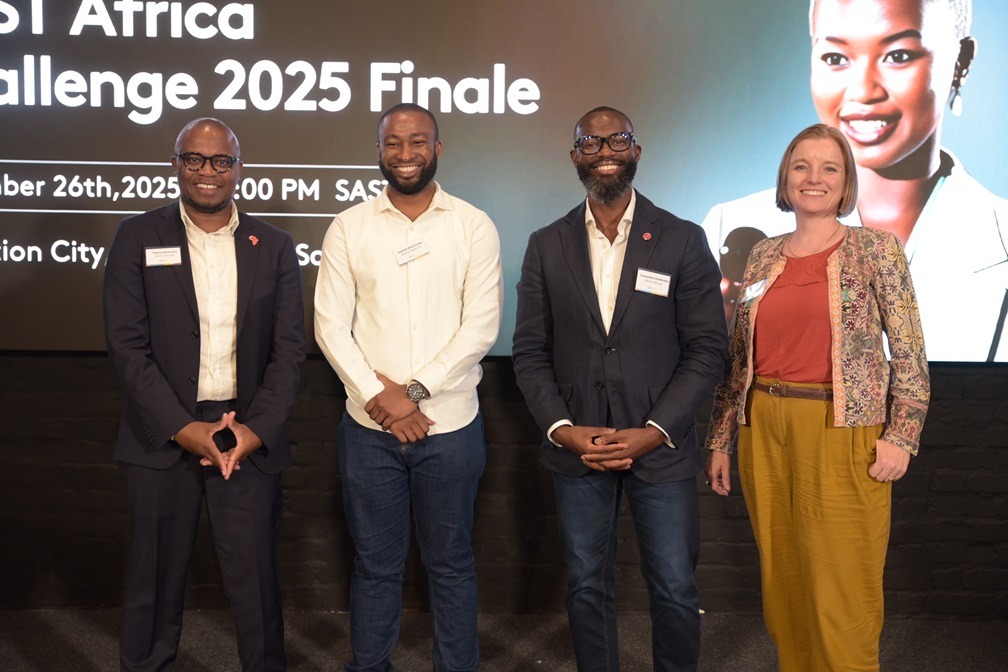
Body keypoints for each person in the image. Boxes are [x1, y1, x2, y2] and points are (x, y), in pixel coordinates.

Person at [705, 123, 930, 672]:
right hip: (764, 428)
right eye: (801, 166)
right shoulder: (761, 256)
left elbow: (909, 352)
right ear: (785, 177)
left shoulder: (877, 250)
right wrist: (720, 438)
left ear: (846, 181)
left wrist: (901, 435)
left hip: (841, 428)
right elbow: (739, 360)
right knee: (784, 582)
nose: (814, 178)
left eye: (829, 167)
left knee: (843, 587)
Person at [512, 106, 728, 672]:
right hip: (578, 449)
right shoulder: (546, 245)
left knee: (676, 589)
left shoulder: (682, 239)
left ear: (636, 151)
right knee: (585, 586)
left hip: (661, 448)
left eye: (618, 140)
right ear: (575, 155)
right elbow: (531, 353)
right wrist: (564, 431)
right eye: (591, 141)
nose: (604, 150)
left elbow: (707, 349)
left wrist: (655, 432)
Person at [103, 117, 305, 672]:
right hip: (161, 436)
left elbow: (288, 352)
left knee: (255, 585)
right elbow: (127, 348)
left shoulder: (277, 246)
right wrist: (183, 428)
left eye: (220, 161)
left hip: (246, 436)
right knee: (153, 580)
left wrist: (255, 429)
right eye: (194, 159)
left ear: (238, 169)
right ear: (176, 165)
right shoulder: (137, 237)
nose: (207, 172)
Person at [702, 0, 1008, 362]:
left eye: (898, 56)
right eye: (835, 58)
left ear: (961, 62)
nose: (863, 91)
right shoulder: (731, 227)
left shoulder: (1000, 231)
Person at [314, 103, 502, 672]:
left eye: (417, 142)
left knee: (450, 563)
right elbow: (330, 326)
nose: (405, 154)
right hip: (368, 431)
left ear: (438, 149)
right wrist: (384, 400)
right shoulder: (349, 226)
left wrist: (412, 392)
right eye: (393, 144)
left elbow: (482, 327)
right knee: (375, 565)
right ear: (378, 152)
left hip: (452, 427)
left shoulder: (474, 225)